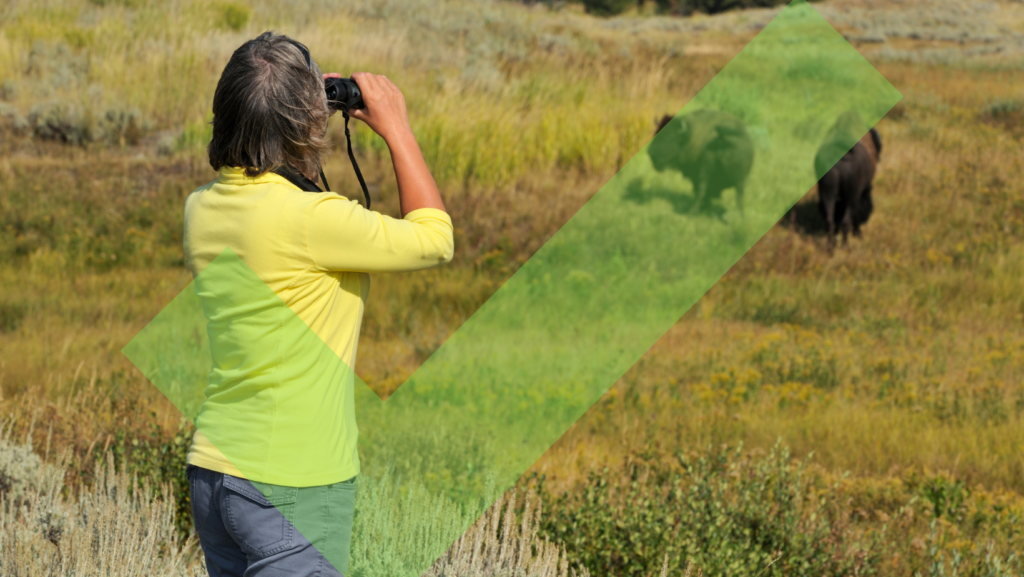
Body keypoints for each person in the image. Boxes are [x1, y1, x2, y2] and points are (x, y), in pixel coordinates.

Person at [183, 31, 454, 577]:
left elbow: (275, 194)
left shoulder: (201, 208)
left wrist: (300, 125)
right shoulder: (313, 220)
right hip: (293, 483)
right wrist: (396, 128)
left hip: (216, 472)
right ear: (308, 122)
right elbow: (434, 238)